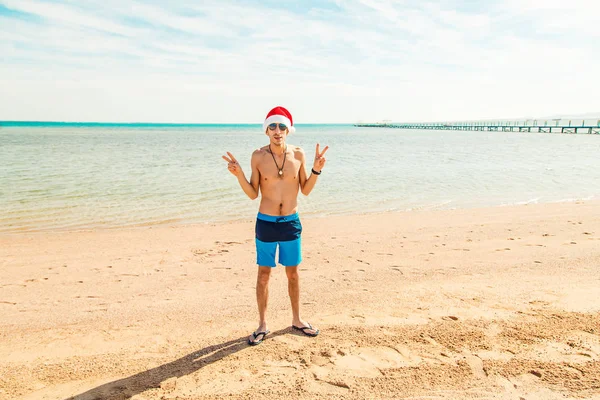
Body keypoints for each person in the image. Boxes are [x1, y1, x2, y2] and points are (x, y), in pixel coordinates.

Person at [222, 106, 329, 346]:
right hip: (266, 222)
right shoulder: (258, 156)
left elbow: (306, 189)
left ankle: (297, 320)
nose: (277, 131)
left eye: (282, 126)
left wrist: (316, 170)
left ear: (289, 130)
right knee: (263, 275)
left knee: (293, 274)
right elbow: (252, 193)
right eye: (273, 126)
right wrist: (239, 174)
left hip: (291, 221)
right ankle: (262, 325)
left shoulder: (299, 155)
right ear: (266, 130)